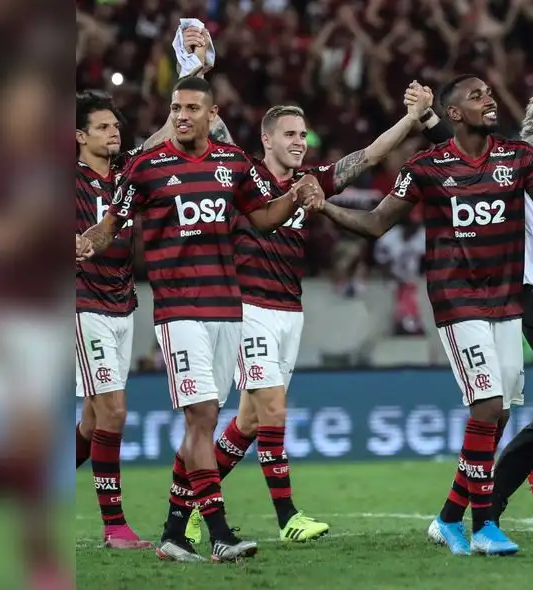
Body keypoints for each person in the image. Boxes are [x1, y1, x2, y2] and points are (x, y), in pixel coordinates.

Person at [317, 74, 533, 554]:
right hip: (458, 301)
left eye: (489, 93)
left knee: (498, 416)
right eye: (476, 96)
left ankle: (449, 517)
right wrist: (324, 207)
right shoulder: (425, 166)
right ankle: (486, 525)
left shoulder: (515, 159)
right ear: (454, 113)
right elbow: (374, 224)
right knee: (490, 407)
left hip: (507, 303)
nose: (489, 99)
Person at [174, 25, 438, 545]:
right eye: (290, 134)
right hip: (247, 308)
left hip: (289, 310)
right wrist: (197, 66)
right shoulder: (240, 172)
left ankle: (188, 506)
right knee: (273, 409)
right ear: (267, 139)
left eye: (304, 135)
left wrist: (411, 119)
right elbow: (208, 119)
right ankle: (288, 517)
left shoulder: (311, 181)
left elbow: (368, 155)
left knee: (251, 421)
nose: (300, 142)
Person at [76, 75, 324, 563]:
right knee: (202, 416)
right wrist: (88, 243)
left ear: (213, 115)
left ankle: (173, 532)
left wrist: (296, 196)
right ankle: (219, 533)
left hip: (227, 309)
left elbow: (263, 218)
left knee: (206, 424)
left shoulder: (234, 164)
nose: (182, 115)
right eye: (176, 107)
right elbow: (112, 224)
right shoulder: (146, 167)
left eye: (192, 108)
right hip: (179, 310)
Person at [74, 90, 155, 550]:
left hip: (123, 303)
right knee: (114, 412)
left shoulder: (129, 173)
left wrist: (193, 75)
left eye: (115, 126)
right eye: (102, 127)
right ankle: (116, 528)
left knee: (92, 423)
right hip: (82, 303)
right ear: (79, 136)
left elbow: (162, 139)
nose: (113, 133)